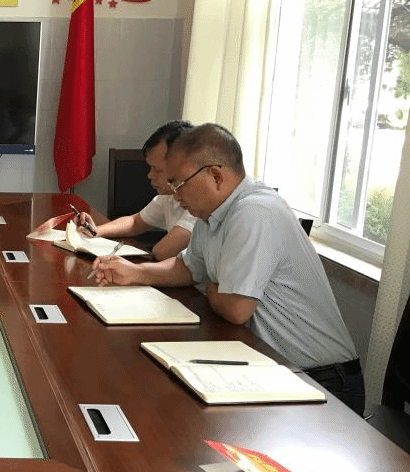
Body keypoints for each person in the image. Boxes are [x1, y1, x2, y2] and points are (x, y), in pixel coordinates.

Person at [90, 123, 364, 414]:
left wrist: (211, 287)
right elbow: (188, 269)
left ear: (215, 176)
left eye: (179, 184)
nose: (175, 196)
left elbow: (235, 309)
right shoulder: (210, 214)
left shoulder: (254, 212)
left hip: (321, 381)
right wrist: (134, 272)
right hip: (269, 367)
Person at [74, 121, 197, 260]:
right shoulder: (168, 196)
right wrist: (96, 231)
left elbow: (161, 252)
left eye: (157, 170)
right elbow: (136, 222)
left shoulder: (199, 204)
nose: (149, 175)